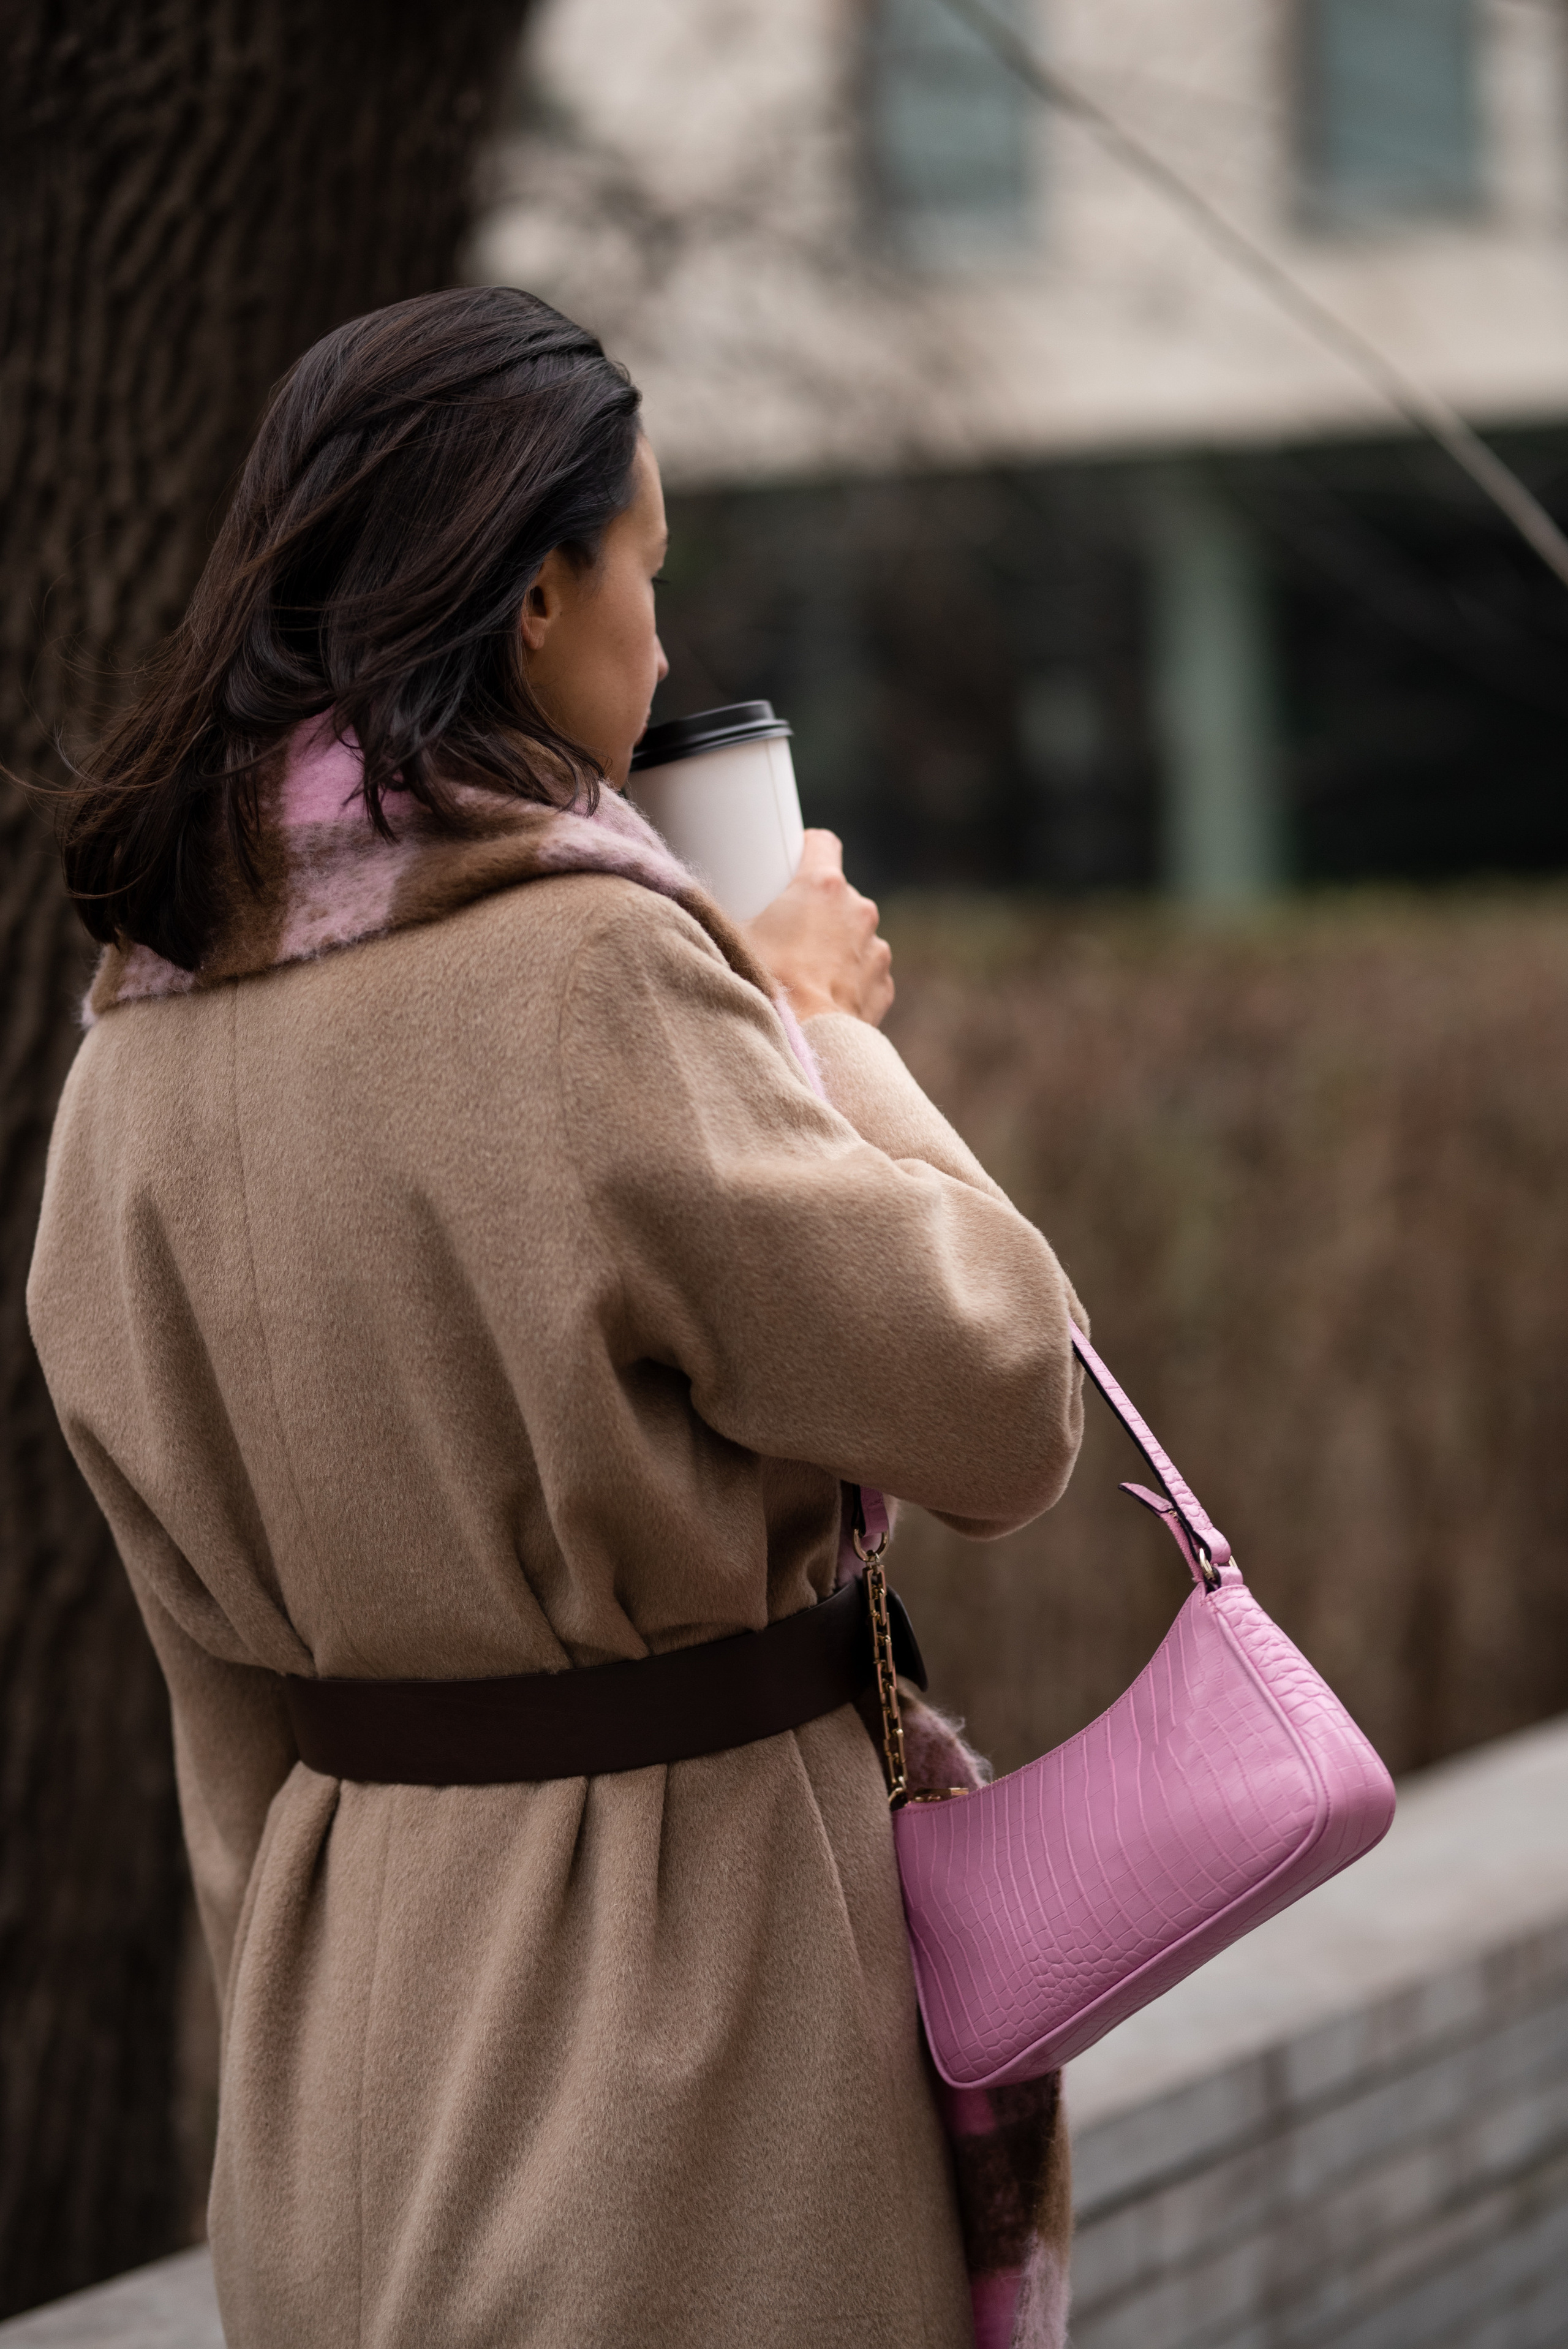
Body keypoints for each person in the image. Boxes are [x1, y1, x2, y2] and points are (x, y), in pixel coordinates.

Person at [28, 286, 1084, 2349]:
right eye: (645, 570)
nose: (663, 647)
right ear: (533, 598)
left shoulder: (124, 1058)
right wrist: (812, 1032)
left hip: (337, 2086)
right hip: (694, 2061)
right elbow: (1003, 1394)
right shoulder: (599, 973)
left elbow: (214, 1713)